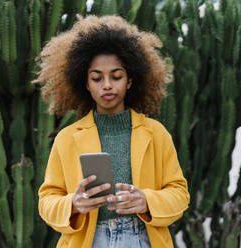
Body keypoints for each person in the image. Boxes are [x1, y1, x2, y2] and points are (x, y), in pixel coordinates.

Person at [37, 15, 190, 248]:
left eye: (116, 76)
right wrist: (74, 204)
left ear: (129, 80)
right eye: (97, 78)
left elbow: (179, 194)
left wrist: (147, 200)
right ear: (85, 83)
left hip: (142, 238)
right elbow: (47, 201)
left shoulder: (156, 134)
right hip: (87, 240)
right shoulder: (66, 138)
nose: (107, 85)